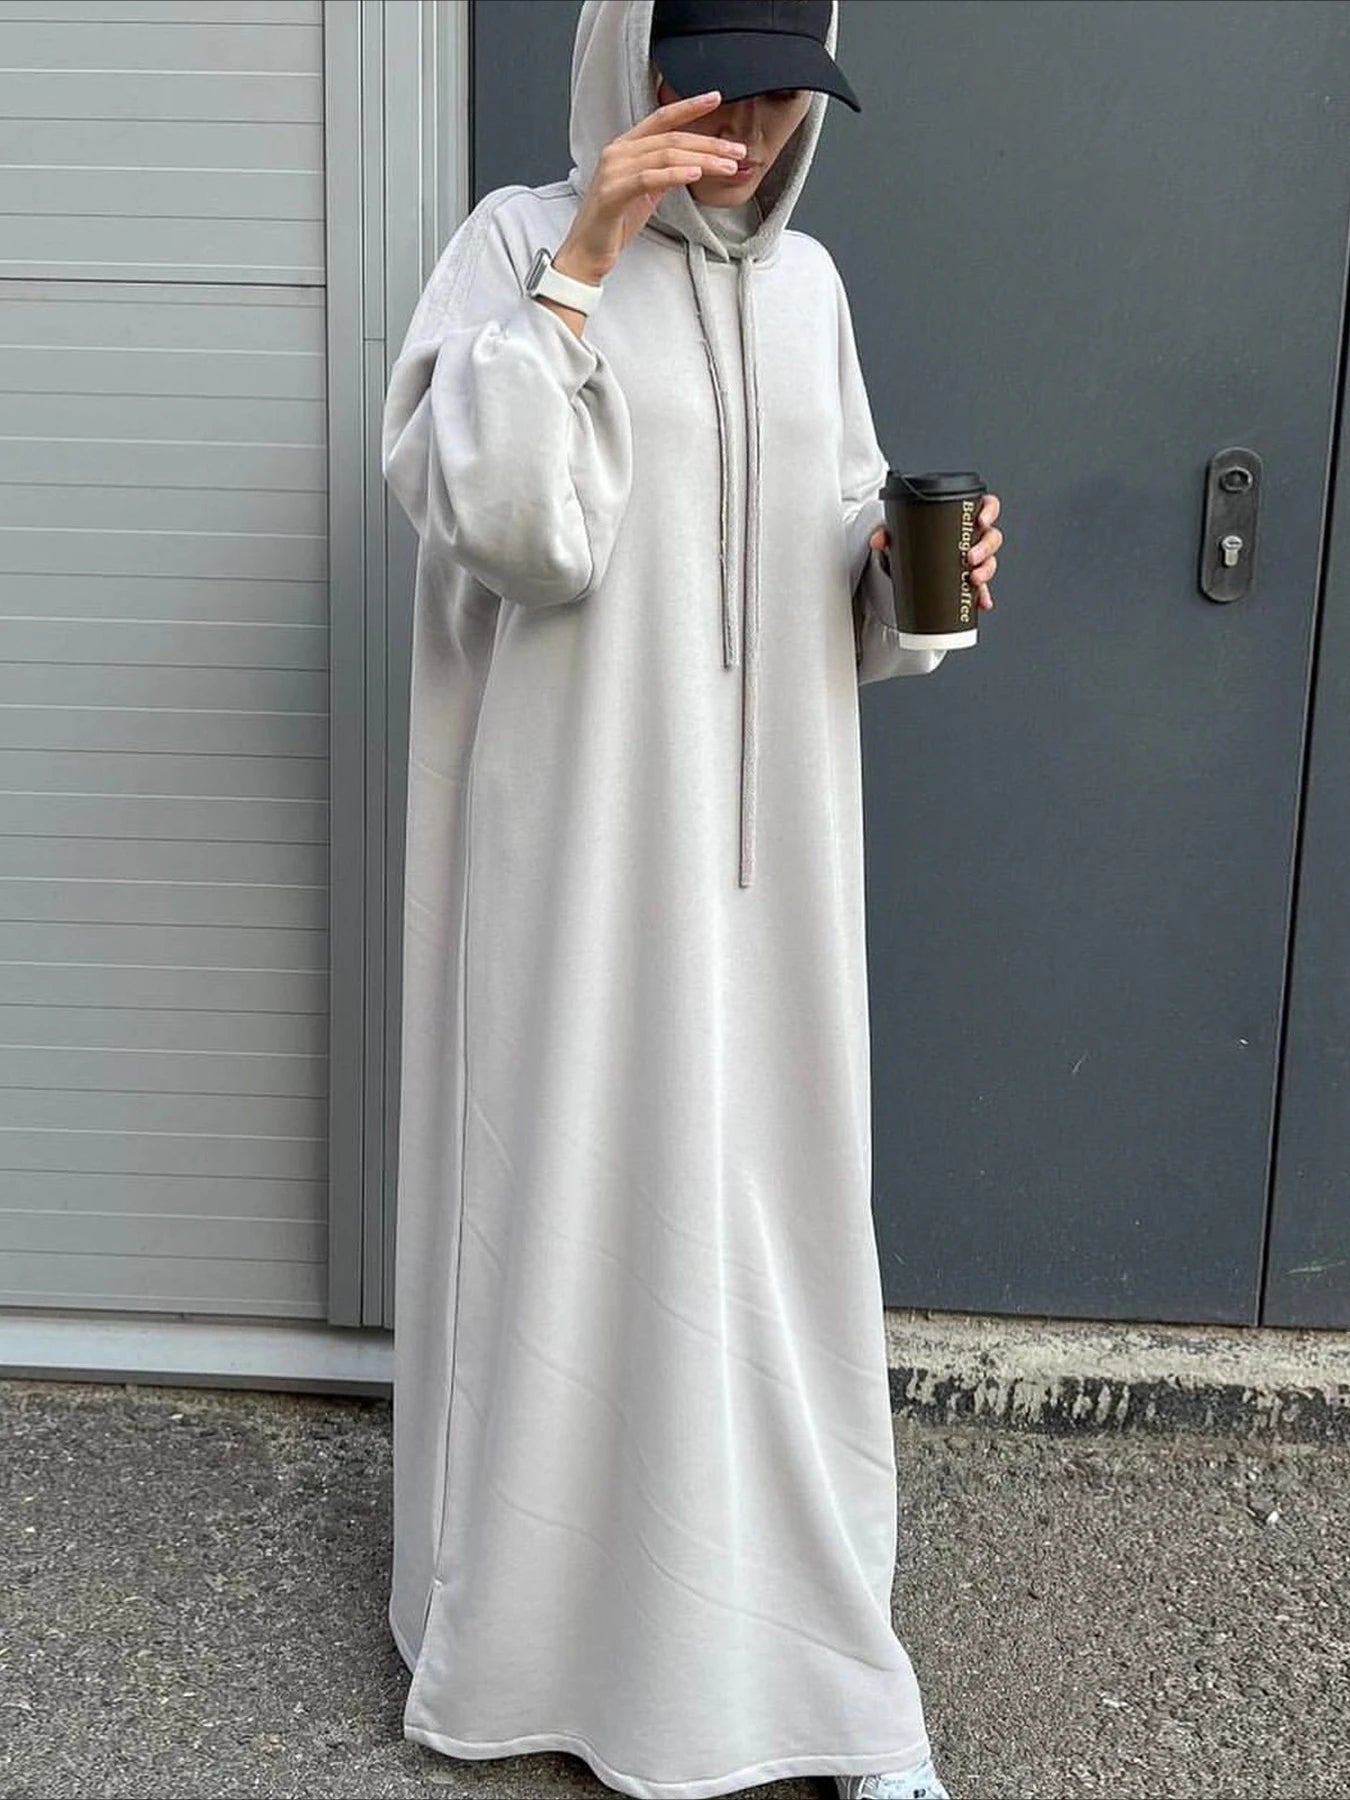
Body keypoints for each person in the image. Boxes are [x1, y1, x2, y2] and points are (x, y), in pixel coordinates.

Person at [379, 3, 1003, 1798]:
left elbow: (822, 551)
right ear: (627, 59)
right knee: (571, 1211)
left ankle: (822, 1673)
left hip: (770, 874)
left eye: (783, 84)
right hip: (575, 860)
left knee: (779, 1234)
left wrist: (909, 577)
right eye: (707, 75)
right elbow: (512, 527)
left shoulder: (809, 292)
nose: (746, 118)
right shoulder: (509, 243)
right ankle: (538, 1646)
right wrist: (586, 252)